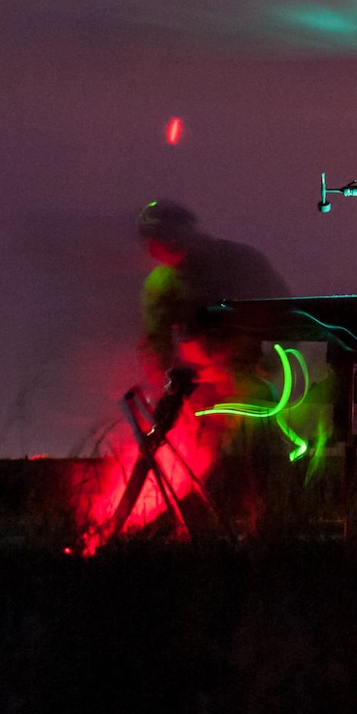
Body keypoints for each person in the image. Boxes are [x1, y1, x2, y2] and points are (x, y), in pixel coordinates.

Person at [136, 198, 293, 534]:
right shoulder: (160, 285)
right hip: (200, 390)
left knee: (262, 457)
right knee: (198, 465)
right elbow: (157, 347)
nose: (154, 248)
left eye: (158, 238)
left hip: (246, 381)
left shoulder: (244, 263)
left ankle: (270, 529)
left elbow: (289, 312)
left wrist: (271, 359)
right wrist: (170, 386)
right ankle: (202, 531)